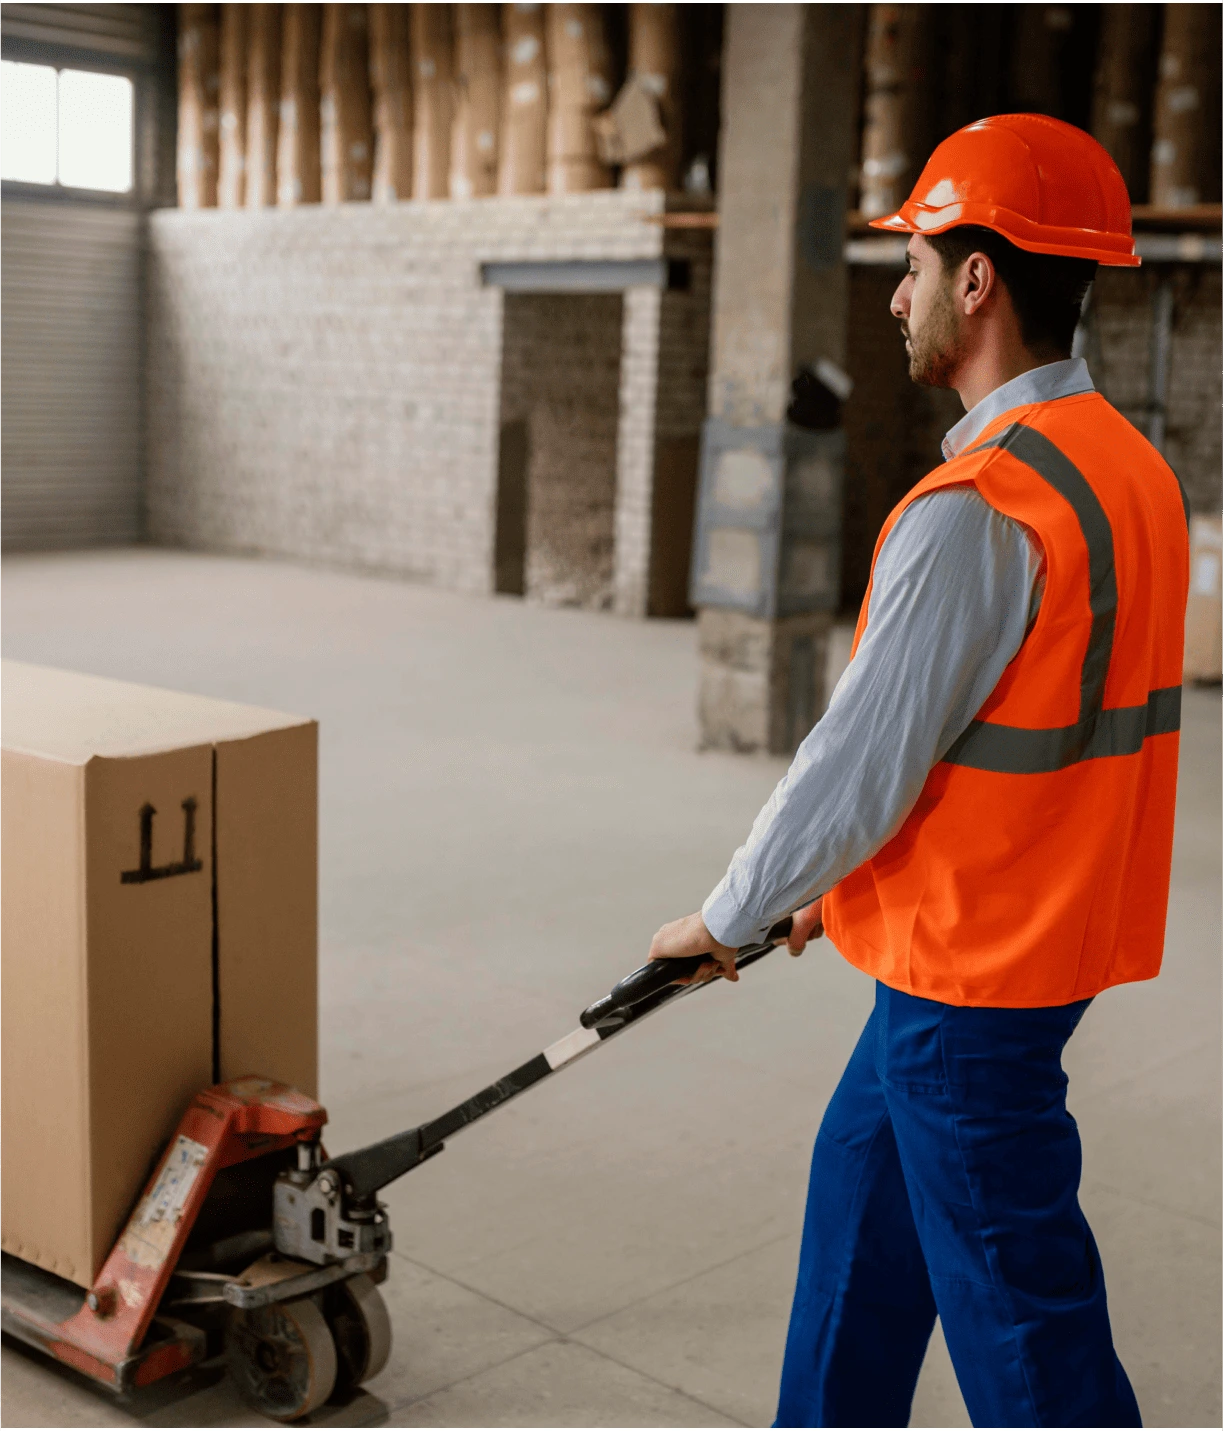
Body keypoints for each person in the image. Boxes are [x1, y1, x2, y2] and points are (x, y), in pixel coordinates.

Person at [648, 114, 1189, 1428]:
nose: (892, 294)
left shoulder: (976, 512)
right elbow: (1007, 742)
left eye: (912, 262)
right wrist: (827, 897)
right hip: (1001, 950)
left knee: (1023, 1326)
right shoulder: (1130, 473)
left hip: (974, 992)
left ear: (977, 279)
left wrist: (721, 915)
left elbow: (856, 768)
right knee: (856, 1232)